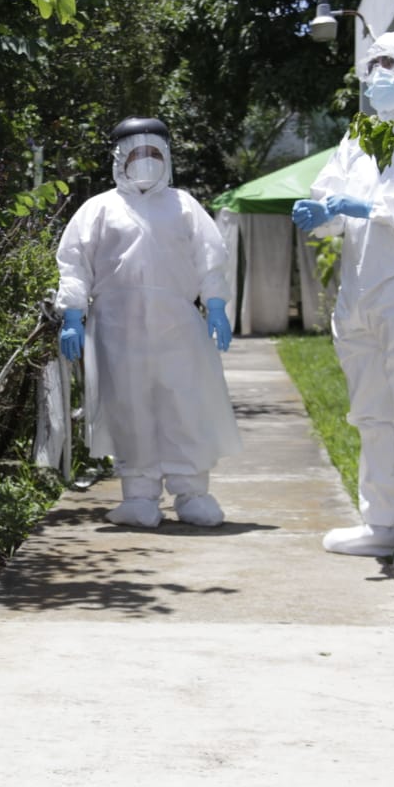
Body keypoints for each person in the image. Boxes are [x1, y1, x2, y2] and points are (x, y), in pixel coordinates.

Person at [55, 116, 241, 529]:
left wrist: (215, 305)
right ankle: (138, 496)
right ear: (120, 158)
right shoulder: (98, 209)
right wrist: (71, 313)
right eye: (138, 154)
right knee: (129, 409)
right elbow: (74, 264)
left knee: (184, 404)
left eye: (154, 154)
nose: (146, 162)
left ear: (168, 157)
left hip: (177, 325)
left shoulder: (184, 205)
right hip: (116, 330)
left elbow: (210, 256)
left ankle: (192, 492)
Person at [292, 32, 394, 570]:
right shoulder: (357, 137)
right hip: (358, 290)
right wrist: (323, 214)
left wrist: (364, 207)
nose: (379, 75)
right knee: (371, 411)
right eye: (371, 66)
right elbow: (333, 202)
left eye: (389, 63)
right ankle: (385, 522)